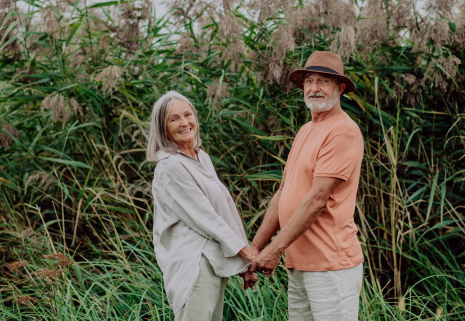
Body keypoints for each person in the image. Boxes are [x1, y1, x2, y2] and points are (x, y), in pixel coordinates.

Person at [250, 51, 365, 321]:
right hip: (299, 264)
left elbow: (316, 199)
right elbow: (284, 192)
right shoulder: (305, 130)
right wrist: (256, 248)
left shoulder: (342, 131)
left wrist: (274, 250)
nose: (314, 88)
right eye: (309, 81)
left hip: (330, 266)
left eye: (323, 81)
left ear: (340, 88)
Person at [147, 91, 258, 321]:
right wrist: (247, 253)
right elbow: (206, 218)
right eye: (174, 119)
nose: (184, 122)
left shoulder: (201, 158)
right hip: (194, 266)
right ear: (162, 128)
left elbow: (225, 209)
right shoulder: (170, 167)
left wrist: (246, 262)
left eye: (188, 114)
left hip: (214, 262)